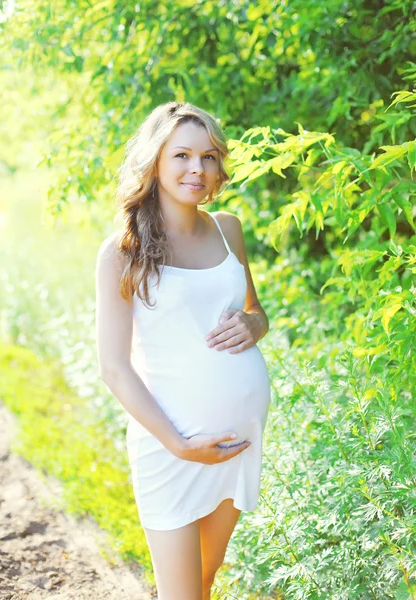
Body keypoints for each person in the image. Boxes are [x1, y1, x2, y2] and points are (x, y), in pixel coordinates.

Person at [95, 101, 271, 600]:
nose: (197, 169)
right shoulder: (123, 251)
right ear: (155, 161)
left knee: (205, 580)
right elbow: (113, 367)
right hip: (170, 446)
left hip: (237, 442)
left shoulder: (227, 228)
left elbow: (255, 311)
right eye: (182, 155)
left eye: (209, 157)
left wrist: (253, 325)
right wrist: (179, 444)